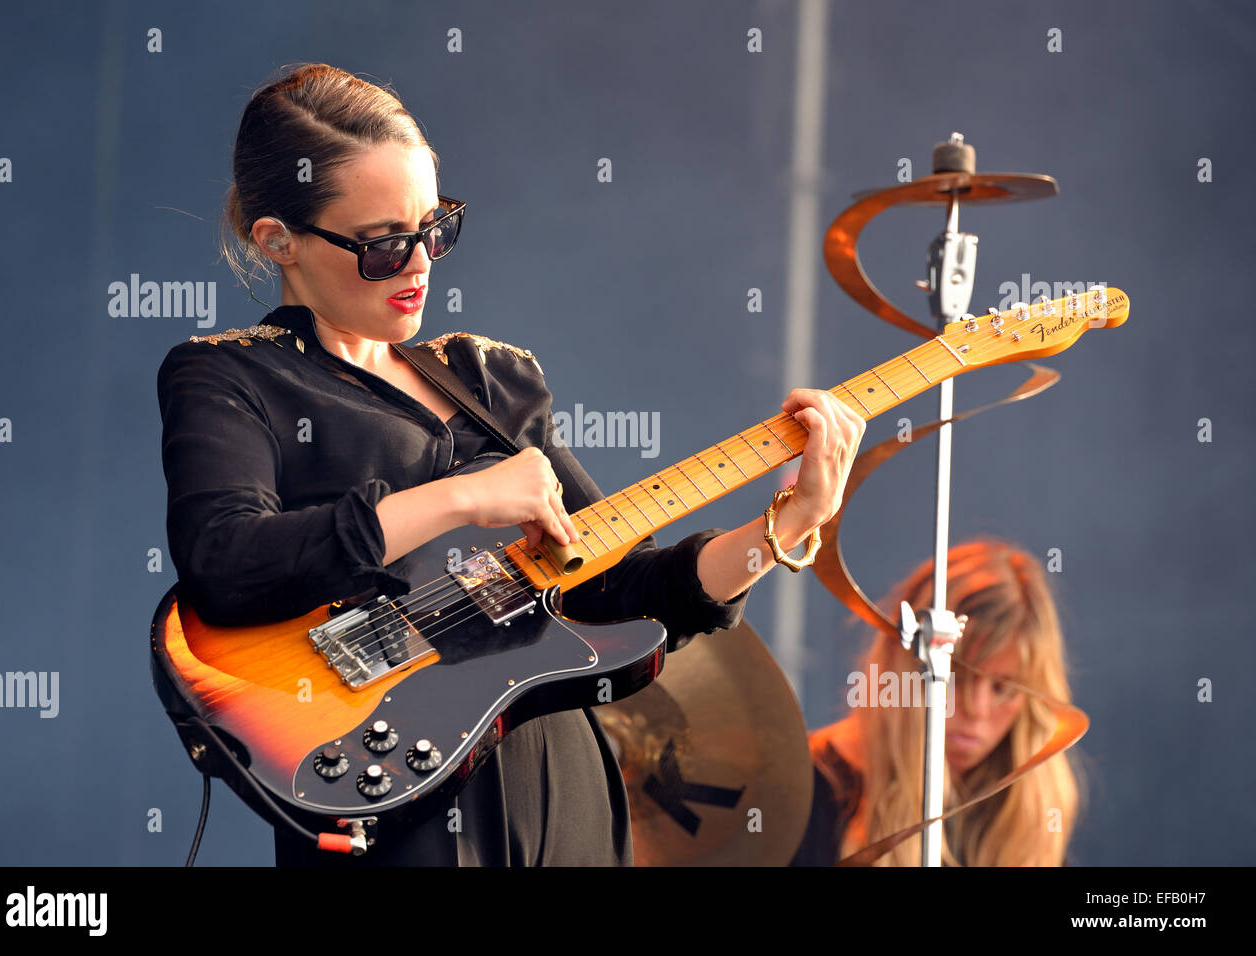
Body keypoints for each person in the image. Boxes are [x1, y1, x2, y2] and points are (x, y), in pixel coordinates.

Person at [156, 62, 866, 866]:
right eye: (386, 245)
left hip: (561, 780)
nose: (422, 263)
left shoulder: (488, 374)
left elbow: (613, 587)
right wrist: (462, 497)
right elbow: (225, 562)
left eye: (436, 228)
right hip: (393, 791)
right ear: (279, 240)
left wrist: (783, 529)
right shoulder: (231, 374)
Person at [791, 538, 1082, 866]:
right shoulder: (798, 789)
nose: (977, 710)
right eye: (954, 675)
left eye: (1004, 688)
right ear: (904, 666)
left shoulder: (1022, 811)